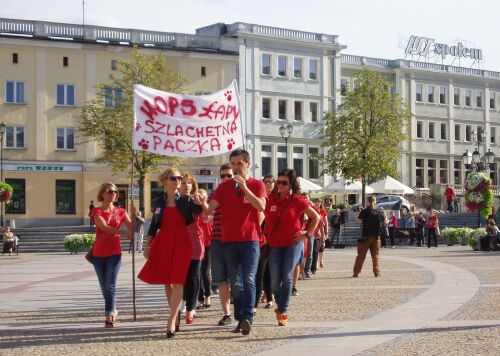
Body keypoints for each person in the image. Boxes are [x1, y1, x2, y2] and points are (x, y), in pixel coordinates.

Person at [201, 148, 266, 336]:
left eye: (239, 164)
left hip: (250, 240)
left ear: (247, 164)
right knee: (236, 284)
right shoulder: (223, 187)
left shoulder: (256, 184)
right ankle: (240, 317)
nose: (236, 167)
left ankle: (248, 318)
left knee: (249, 279)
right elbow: (209, 210)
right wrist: (201, 202)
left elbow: (261, 206)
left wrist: (245, 188)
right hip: (228, 241)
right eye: (233, 164)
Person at [138, 168, 203, 339]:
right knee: (167, 281)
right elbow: (154, 224)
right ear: (165, 181)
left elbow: (197, 212)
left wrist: (200, 201)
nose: (177, 180)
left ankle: (171, 320)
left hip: (183, 243)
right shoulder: (159, 201)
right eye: (173, 178)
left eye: (179, 178)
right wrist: (148, 244)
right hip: (163, 242)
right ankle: (175, 315)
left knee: (178, 280)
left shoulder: (187, 200)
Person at [265, 168, 320, 326]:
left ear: (291, 185)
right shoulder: (271, 199)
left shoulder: (297, 201)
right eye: (279, 181)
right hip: (274, 244)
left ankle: (283, 310)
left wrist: (307, 234)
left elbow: (315, 217)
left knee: (287, 277)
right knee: (275, 280)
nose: (280, 185)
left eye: (284, 182)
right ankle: (280, 305)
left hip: (292, 243)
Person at [90, 182, 134, 328]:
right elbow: (103, 227)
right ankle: (113, 309)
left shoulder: (121, 211)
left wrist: (135, 217)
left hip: (114, 252)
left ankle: (109, 314)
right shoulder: (96, 211)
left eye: (115, 192)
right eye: (110, 191)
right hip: (98, 253)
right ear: (102, 194)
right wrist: (123, 233)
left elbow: (132, 228)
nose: (113, 194)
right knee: (104, 287)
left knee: (110, 285)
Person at [208, 163, 234, 326]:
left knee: (237, 279)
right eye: (222, 175)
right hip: (217, 240)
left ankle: (241, 307)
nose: (225, 178)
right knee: (221, 279)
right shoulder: (214, 195)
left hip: (235, 240)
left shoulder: (239, 193)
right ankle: (226, 313)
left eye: (228, 176)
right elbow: (207, 211)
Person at [180, 172, 204, 325]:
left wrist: (201, 201)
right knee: (181, 277)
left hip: (195, 242)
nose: (186, 185)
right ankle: (181, 302)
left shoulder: (195, 200)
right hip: (179, 242)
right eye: (183, 183)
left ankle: (191, 309)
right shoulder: (172, 201)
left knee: (194, 276)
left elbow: (200, 211)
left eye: (189, 183)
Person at [255, 174, 275, 312]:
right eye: (265, 182)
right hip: (259, 238)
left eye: (270, 182)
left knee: (268, 271)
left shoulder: (274, 200)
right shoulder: (260, 199)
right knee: (260, 271)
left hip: (271, 239)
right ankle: (257, 301)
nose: (267, 184)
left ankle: (269, 297)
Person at [353, 195, 382, 278]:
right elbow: (384, 222)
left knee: (361, 256)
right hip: (376, 237)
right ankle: (377, 272)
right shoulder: (378, 211)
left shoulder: (364, 211)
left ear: (367, 202)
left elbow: (358, 221)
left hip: (366, 237)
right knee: (375, 256)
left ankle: (356, 272)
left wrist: (358, 213)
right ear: (375, 201)